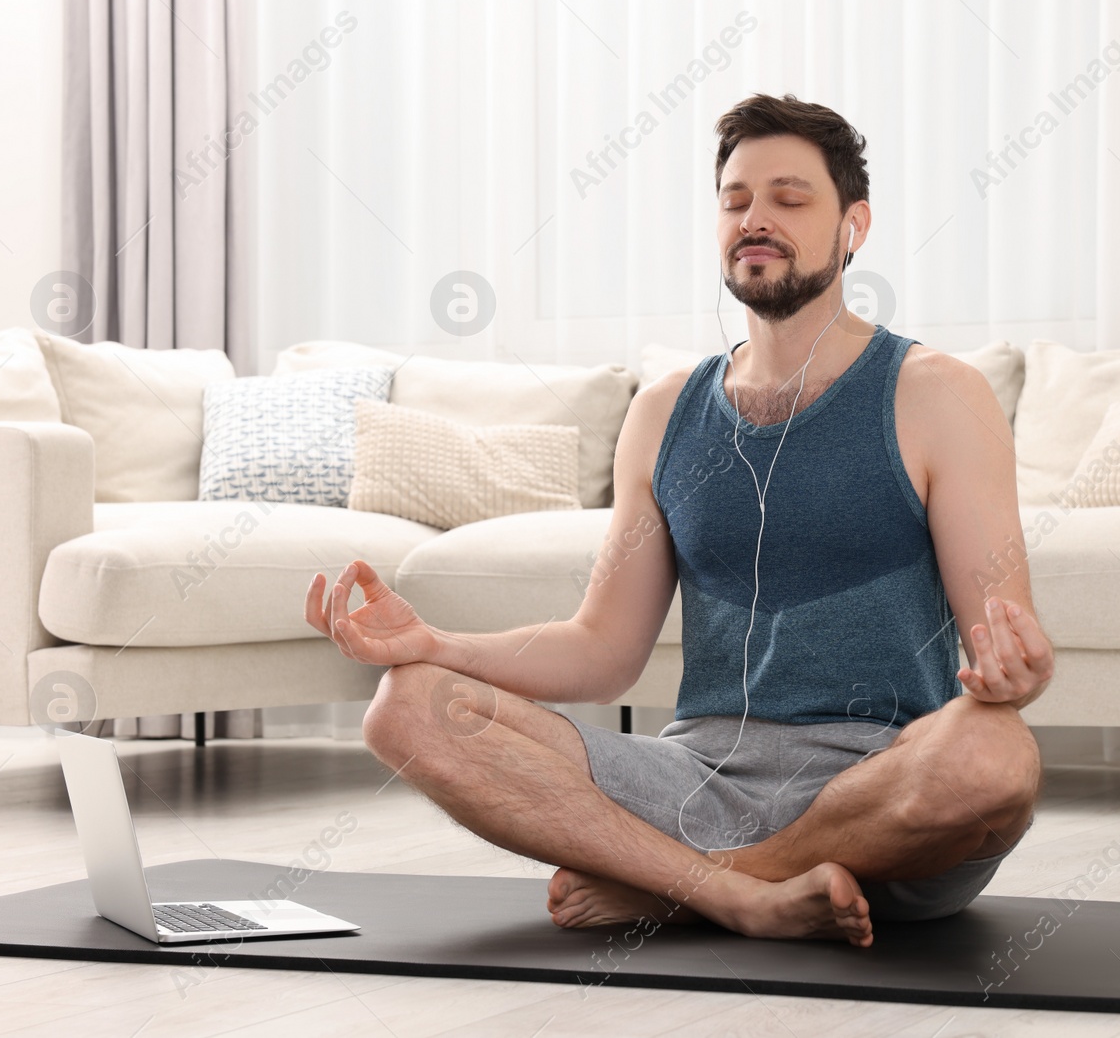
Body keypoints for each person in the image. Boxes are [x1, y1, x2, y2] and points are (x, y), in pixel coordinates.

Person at [305, 93, 1051, 949]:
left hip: (884, 790)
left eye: (789, 198)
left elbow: (1011, 646)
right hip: (697, 778)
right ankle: (741, 895)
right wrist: (429, 643)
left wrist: (1015, 676)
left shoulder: (939, 395)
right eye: (736, 201)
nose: (755, 219)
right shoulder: (663, 412)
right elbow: (603, 650)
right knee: (403, 709)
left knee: (997, 758)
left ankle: (689, 886)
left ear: (855, 226)